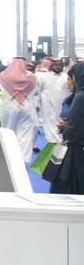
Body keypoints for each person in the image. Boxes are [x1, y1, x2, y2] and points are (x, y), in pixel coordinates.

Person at [0, 57, 41, 161]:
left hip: (8, 107)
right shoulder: (32, 77)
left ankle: (8, 157)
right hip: (26, 107)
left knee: (8, 131)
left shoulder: (3, 76)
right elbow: (36, 91)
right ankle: (22, 160)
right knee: (25, 134)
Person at [49, 61, 84, 194]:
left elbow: (73, 132)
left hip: (75, 152)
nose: (68, 82)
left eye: (70, 78)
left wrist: (66, 128)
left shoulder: (80, 98)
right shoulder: (75, 97)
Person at [38, 58, 69, 144]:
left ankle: (59, 146)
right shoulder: (44, 77)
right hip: (48, 107)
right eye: (56, 65)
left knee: (61, 127)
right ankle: (52, 144)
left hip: (62, 107)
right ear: (52, 65)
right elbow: (38, 91)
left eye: (59, 65)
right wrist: (37, 105)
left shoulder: (66, 76)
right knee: (49, 128)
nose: (58, 67)